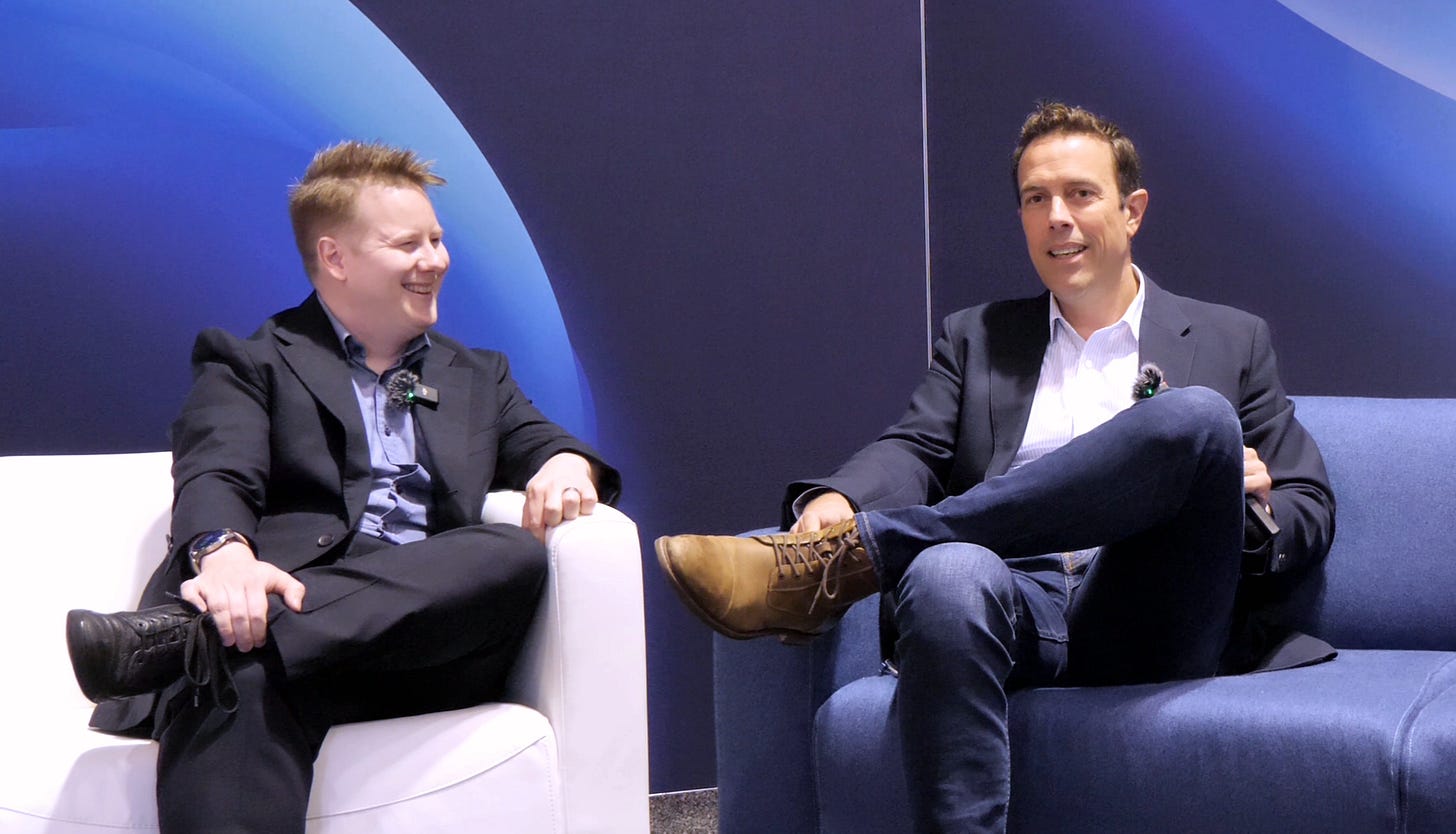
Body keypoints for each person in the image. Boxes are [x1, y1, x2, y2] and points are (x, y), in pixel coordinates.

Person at [655, 101, 1335, 833]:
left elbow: (1309, 506)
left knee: (1195, 418)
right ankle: (874, 549)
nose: (1057, 218)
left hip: (1151, 601)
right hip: (1014, 595)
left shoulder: (1232, 339)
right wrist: (842, 497)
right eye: (1036, 199)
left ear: (1132, 210)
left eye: (1080, 194)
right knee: (947, 572)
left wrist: (1245, 501)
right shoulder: (978, 337)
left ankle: (861, 557)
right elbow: (915, 446)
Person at [64, 140, 620, 834]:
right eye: (408, 244)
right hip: (273, 641)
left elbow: (544, 442)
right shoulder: (251, 362)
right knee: (237, 677)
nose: (436, 260)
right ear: (336, 258)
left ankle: (194, 639)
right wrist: (224, 554)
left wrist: (566, 463)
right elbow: (215, 468)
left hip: (420, 645)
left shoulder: (478, 376)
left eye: (437, 240)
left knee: (508, 554)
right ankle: (226, 640)